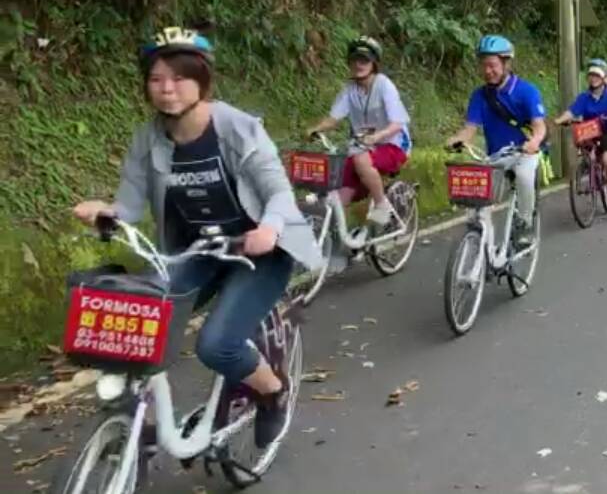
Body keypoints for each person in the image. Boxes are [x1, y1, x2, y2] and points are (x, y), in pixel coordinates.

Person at [72, 27, 322, 449]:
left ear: (202, 81)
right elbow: (129, 207)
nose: (167, 89)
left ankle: (272, 391)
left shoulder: (238, 128)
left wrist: (269, 228)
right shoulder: (146, 138)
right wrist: (107, 213)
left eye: (179, 77)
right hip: (195, 251)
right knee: (140, 315)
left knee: (217, 345)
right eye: (156, 79)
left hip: (258, 252)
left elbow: (278, 191)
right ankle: (139, 423)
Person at [446, 34, 547, 249]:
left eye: (492, 65)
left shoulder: (527, 91)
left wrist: (534, 142)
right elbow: (470, 129)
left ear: (506, 64)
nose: (487, 71)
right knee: (477, 203)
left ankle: (525, 222)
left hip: (523, 153)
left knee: (524, 175)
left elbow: (540, 127)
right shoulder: (479, 96)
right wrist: (457, 139)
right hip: (496, 157)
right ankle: (484, 249)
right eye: (483, 66)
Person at [305, 37, 411, 230]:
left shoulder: (383, 85)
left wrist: (377, 137)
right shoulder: (349, 89)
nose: (358, 65)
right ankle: (343, 239)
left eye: (364, 60)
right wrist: (316, 129)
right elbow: (333, 118)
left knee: (360, 159)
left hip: (394, 145)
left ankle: (381, 206)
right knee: (336, 192)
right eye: (355, 60)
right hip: (362, 149)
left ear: (374, 64)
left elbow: (397, 123)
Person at [555, 59, 607, 210]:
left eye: (597, 76)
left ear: (605, 78)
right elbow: (572, 111)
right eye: (591, 75)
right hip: (589, 131)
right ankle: (588, 168)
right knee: (588, 154)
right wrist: (560, 120)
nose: (593, 79)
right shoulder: (584, 97)